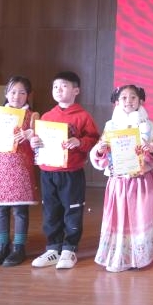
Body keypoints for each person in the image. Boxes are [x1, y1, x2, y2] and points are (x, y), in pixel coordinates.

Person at [90, 84, 153, 272]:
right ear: (117, 102)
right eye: (124, 98)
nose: (128, 101)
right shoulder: (111, 125)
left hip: (141, 180)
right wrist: (101, 150)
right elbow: (102, 150)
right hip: (119, 181)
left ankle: (141, 257)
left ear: (140, 100)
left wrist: (151, 149)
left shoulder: (147, 125)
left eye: (133, 97)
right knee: (119, 217)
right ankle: (120, 257)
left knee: (141, 215)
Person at [28, 71, 101, 270]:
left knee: (72, 210)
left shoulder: (83, 116)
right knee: (51, 210)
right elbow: (39, 142)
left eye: (64, 86)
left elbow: (94, 140)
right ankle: (53, 248)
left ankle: (69, 249)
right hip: (48, 171)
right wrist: (34, 142)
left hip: (71, 172)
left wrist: (79, 142)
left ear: (76, 91)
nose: (58, 90)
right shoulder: (47, 116)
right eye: (55, 87)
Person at [0, 77, 39, 267]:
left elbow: (39, 143)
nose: (16, 96)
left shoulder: (33, 116)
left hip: (20, 166)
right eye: (12, 92)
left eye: (22, 92)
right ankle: (2, 246)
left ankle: (19, 248)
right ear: (6, 93)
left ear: (28, 95)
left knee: (20, 209)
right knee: (0, 209)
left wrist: (31, 135)